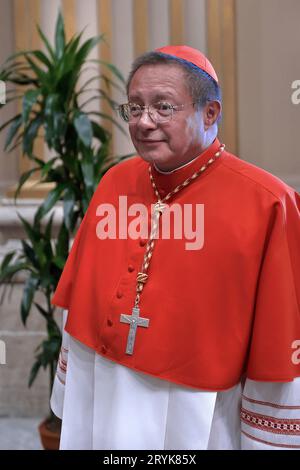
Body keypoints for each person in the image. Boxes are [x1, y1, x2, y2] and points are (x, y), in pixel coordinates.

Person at [50, 45, 300, 450]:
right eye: (134, 108)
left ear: (210, 113)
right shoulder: (115, 181)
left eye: (163, 107)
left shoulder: (269, 202)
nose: (144, 122)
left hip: (200, 405)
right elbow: (83, 299)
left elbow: (278, 334)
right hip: (108, 384)